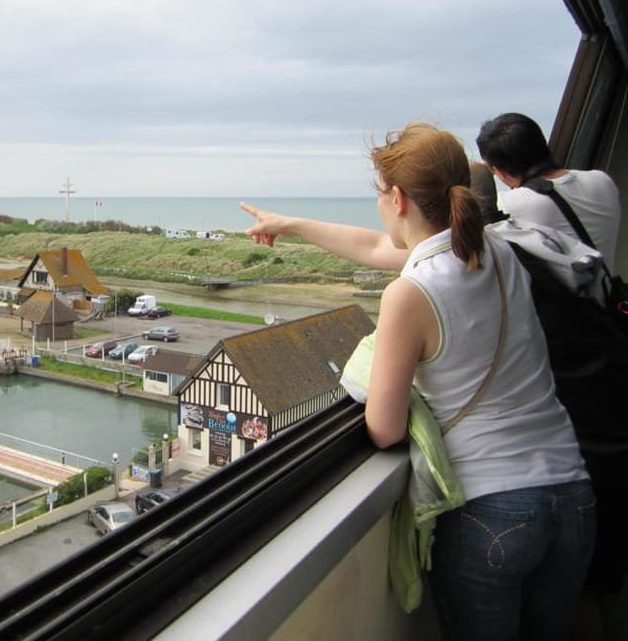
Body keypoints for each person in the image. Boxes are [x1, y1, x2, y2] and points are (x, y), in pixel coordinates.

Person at [242, 122, 594, 641]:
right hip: (574, 494)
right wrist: (289, 224)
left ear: (399, 199)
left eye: (381, 195)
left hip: (493, 511)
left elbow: (383, 429)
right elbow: (371, 246)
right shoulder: (497, 250)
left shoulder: (410, 293)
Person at [470, 161, 628, 639]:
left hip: (536, 463)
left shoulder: (480, 264)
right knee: (596, 585)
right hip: (601, 422)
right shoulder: (536, 238)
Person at [475, 112, 621, 266]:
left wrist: (482, 170)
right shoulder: (602, 181)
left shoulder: (508, 205)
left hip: (563, 291)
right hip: (608, 288)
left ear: (501, 172)